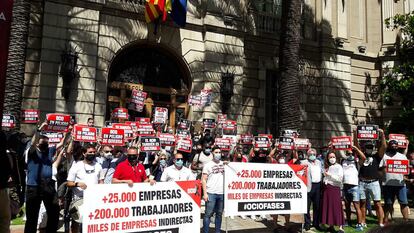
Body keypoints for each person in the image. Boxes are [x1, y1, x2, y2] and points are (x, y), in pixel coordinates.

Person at [24, 132, 60, 233]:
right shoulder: (31, 152)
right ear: (37, 143)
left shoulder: (49, 151)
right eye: (43, 142)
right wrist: (38, 130)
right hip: (33, 187)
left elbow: (61, 144)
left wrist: (68, 134)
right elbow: (33, 142)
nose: (45, 144)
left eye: (47, 143)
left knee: (54, 212)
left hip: (48, 185)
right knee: (32, 216)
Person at [66, 144, 103, 232]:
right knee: (76, 222)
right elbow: (68, 183)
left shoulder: (98, 166)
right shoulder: (76, 166)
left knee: (91, 221)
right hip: (78, 199)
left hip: (93, 198)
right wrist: (78, 184)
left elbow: (101, 181)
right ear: (84, 153)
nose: (92, 154)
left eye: (94, 152)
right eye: (90, 152)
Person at [358, 129, 386, 227]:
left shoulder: (377, 156)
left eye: (371, 147)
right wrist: (354, 133)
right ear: (365, 148)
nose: (369, 148)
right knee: (363, 203)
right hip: (362, 182)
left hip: (374, 182)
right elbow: (356, 147)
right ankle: (363, 222)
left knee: (377, 203)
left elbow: (383, 147)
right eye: (367, 147)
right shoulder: (362, 156)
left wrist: (382, 134)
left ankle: (381, 223)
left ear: (373, 148)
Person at [380, 140, 410, 223]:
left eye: (395, 146)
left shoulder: (402, 156)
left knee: (404, 203)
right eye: (392, 146)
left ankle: (406, 221)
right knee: (388, 203)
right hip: (387, 184)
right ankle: (385, 221)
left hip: (400, 184)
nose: (394, 147)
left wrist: (406, 177)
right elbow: (380, 170)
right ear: (389, 146)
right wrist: (384, 168)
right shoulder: (384, 156)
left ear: (397, 147)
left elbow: (406, 171)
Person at [202, 146, 225, 233]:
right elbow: (203, 180)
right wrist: (205, 194)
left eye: (219, 152)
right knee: (208, 214)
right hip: (211, 192)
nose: (218, 154)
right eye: (216, 152)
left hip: (221, 193)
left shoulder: (224, 164)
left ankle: (217, 231)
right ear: (212, 153)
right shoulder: (207, 165)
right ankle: (206, 231)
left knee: (219, 214)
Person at [321, 152, 345, 233]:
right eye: (330, 157)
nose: (332, 158)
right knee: (329, 207)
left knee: (336, 207)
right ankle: (331, 225)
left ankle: (340, 227)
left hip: (335, 188)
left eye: (333, 156)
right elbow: (325, 178)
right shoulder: (328, 167)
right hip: (327, 189)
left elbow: (340, 179)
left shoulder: (339, 166)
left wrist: (329, 175)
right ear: (327, 158)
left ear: (336, 157)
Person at [342, 146, 364, 231]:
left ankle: (359, 224)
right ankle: (348, 221)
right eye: (348, 153)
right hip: (345, 186)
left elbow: (363, 158)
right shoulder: (342, 161)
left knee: (356, 206)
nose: (350, 155)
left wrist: (357, 149)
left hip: (354, 186)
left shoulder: (356, 161)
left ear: (354, 154)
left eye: (351, 153)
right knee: (347, 206)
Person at [302, 148, 323, 231]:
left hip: (318, 186)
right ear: (307, 155)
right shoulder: (304, 163)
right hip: (308, 187)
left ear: (316, 154)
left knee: (317, 206)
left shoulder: (319, 162)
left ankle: (316, 223)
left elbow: (322, 171)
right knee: (306, 207)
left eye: (313, 154)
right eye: (310, 154)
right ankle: (307, 224)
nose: (312, 156)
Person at [0, 130, 12, 233]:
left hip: (3, 188)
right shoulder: (5, 156)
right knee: (4, 219)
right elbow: (9, 170)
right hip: (2, 188)